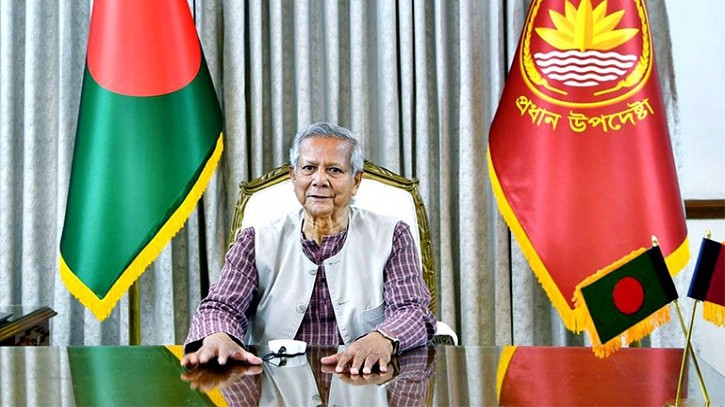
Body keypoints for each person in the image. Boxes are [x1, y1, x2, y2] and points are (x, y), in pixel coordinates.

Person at [182, 122, 436, 375]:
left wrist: (383, 337)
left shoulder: (392, 235)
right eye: (309, 168)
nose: (319, 180)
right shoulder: (255, 239)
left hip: (363, 378)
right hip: (275, 383)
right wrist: (218, 336)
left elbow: (413, 310)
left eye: (334, 170)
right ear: (293, 176)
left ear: (356, 181)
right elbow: (222, 306)